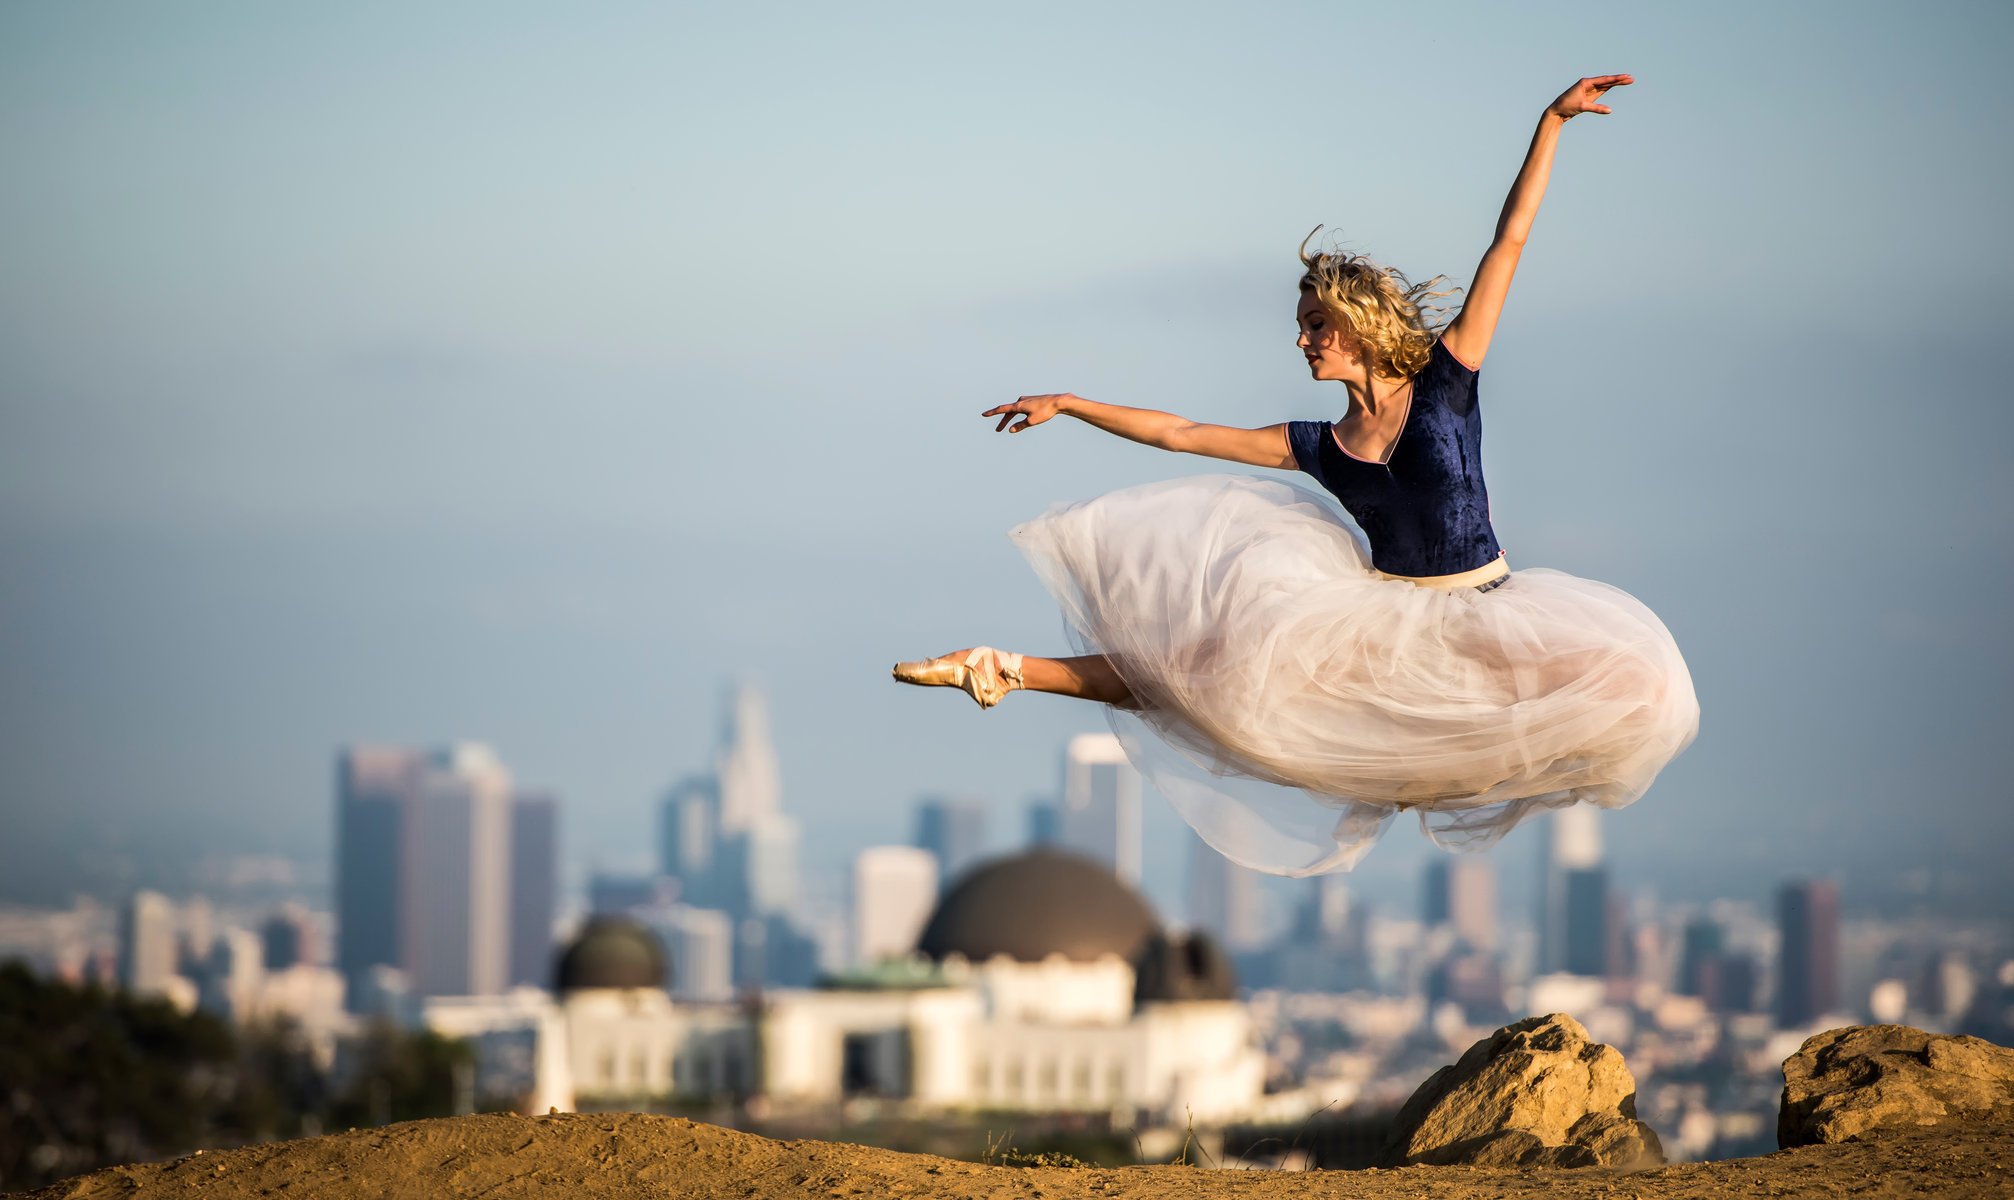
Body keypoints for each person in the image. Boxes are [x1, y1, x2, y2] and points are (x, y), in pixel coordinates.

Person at [892, 75, 1699, 875]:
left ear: (1357, 324)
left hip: (1492, 609)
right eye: (1303, 328)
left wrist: (1552, 123)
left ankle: (1444, 770)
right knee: (1200, 677)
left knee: (1642, 689)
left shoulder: (1448, 380)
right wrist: (1071, 403)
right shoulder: (1319, 443)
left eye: (1316, 326)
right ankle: (1000, 669)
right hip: (1386, 622)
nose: (1305, 342)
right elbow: (1179, 434)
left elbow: (1509, 242)